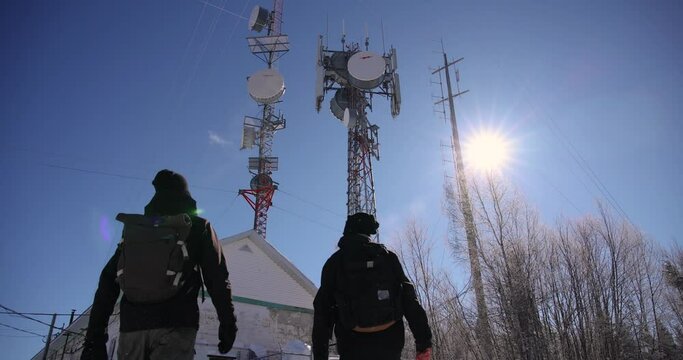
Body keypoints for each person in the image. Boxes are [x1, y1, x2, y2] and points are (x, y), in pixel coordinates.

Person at [81, 169, 237, 360]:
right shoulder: (197, 226)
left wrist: (94, 339)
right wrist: (228, 322)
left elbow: (107, 283)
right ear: (186, 195)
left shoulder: (138, 230)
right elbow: (217, 278)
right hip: (177, 325)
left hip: (132, 328)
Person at [312, 212, 433, 360]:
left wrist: (320, 355)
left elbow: (322, 312)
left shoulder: (334, 263)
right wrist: (423, 343)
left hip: (352, 344)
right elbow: (409, 300)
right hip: (390, 343)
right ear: (369, 232)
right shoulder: (388, 257)